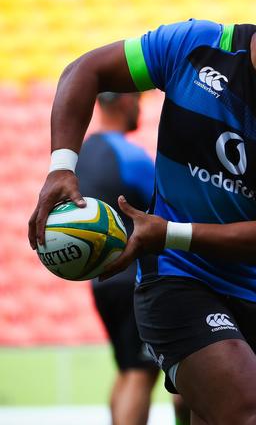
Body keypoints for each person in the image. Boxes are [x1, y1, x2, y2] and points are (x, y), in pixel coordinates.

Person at [28, 0, 256, 425]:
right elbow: (86, 71)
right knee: (251, 415)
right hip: (177, 278)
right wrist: (61, 167)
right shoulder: (195, 46)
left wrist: (169, 231)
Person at [76, 92, 159, 425]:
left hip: (101, 280)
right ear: (125, 102)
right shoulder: (129, 155)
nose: (139, 106)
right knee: (142, 373)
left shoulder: (83, 154)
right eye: (137, 99)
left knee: (127, 370)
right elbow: (167, 206)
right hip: (133, 279)